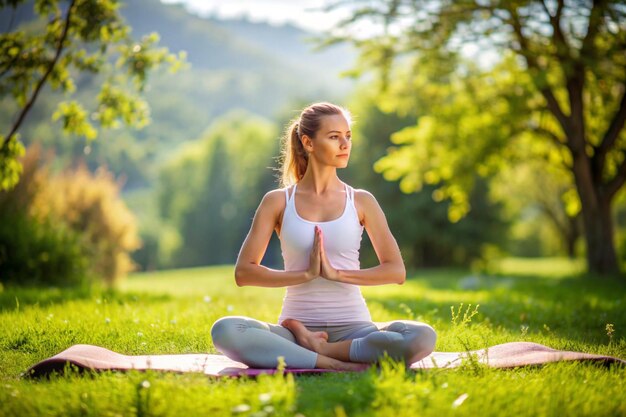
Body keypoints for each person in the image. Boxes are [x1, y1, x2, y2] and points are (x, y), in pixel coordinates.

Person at [211, 102, 436, 370]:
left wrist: (337, 274)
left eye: (348, 136)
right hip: (294, 334)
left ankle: (323, 351)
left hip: (355, 330)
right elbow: (244, 273)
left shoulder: (361, 201)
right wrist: (305, 275)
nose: (345, 144)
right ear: (308, 142)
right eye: (334, 137)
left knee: (422, 336)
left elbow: (396, 272)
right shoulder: (278, 201)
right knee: (225, 330)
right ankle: (336, 364)